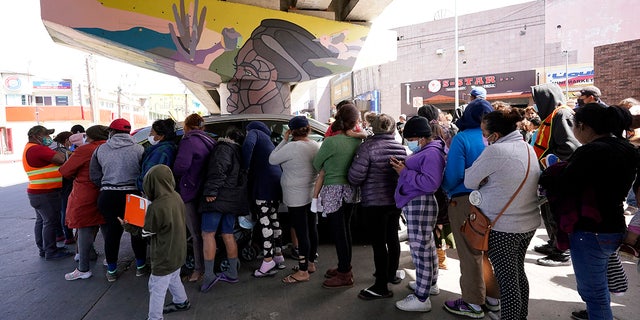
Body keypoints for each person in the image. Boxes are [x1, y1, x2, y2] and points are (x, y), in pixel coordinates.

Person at [539, 103, 638, 320]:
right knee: (600, 283)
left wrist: (551, 173)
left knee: (594, 294)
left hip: (590, 230)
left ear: (582, 126)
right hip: (614, 225)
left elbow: (565, 185)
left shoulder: (590, 152)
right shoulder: (627, 148)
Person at [464, 108, 541, 320]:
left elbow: (469, 180)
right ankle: (520, 316)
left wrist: (485, 179)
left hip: (504, 227)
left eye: (484, 133)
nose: (483, 137)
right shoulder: (526, 147)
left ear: (495, 135)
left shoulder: (496, 151)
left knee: (507, 282)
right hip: (527, 223)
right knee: (517, 274)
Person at [442, 96, 499, 318]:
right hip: (495, 201)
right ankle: (493, 298)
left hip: (466, 201)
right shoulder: (497, 137)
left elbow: (453, 175)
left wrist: (447, 189)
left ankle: (473, 303)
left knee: (470, 253)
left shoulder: (462, 138)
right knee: (487, 253)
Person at [390, 116, 445, 312]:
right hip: (419, 203)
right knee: (427, 247)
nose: (409, 143)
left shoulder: (431, 154)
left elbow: (431, 183)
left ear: (420, 138)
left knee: (420, 251)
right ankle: (429, 285)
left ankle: (421, 298)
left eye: (410, 139)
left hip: (419, 203)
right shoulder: (430, 150)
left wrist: (404, 171)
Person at [348, 113, 406, 299]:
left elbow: (355, 177)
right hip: (395, 200)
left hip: (374, 202)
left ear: (373, 127)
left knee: (379, 243)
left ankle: (380, 286)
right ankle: (391, 274)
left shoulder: (367, 148)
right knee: (392, 238)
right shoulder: (400, 148)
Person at [122, 165, 190, 320]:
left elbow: (145, 232)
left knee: (157, 287)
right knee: (173, 277)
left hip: (164, 254)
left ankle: (155, 317)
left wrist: (128, 226)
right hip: (178, 250)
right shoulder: (176, 196)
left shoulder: (157, 207)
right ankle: (181, 301)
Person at [90, 118, 146, 282]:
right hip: (133, 195)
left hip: (108, 196)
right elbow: (144, 173)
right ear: (128, 132)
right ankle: (141, 267)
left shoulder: (100, 149)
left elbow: (94, 175)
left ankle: (112, 271)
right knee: (137, 233)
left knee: (112, 234)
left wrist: (107, 184)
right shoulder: (139, 149)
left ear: (112, 132)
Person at [313, 103, 362, 288]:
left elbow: (317, 164)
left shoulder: (331, 142)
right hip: (351, 189)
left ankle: (344, 273)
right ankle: (344, 267)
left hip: (333, 189)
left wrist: (329, 166)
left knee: (338, 233)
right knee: (346, 230)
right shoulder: (358, 141)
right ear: (355, 122)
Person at [531, 83, 581, 267]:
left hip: (558, 174)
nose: (536, 106)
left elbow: (570, 147)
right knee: (549, 213)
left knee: (558, 214)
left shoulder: (562, 114)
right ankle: (554, 243)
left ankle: (562, 252)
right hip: (548, 174)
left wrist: (551, 163)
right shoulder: (550, 117)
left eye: (538, 101)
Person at [268, 116, 320, 283]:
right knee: (312, 228)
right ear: (308, 128)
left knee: (301, 232)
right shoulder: (314, 145)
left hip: (295, 196)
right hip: (311, 193)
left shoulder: (291, 147)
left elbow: (272, 159)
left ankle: (303, 271)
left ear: (291, 131)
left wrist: (283, 140)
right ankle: (310, 264)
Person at [199, 127, 247, 292]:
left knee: (208, 234)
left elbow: (218, 169)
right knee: (228, 234)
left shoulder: (223, 148)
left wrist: (211, 190)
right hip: (232, 198)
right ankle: (232, 272)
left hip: (218, 198)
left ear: (227, 136)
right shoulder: (239, 151)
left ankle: (209, 276)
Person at [59, 125, 109, 280]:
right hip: (107, 191)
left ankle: (83, 268)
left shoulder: (84, 150)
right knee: (106, 226)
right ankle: (110, 260)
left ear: (90, 137)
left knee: (84, 229)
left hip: (86, 193)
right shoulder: (110, 147)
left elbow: (65, 171)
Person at [173, 114, 216, 282]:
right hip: (206, 191)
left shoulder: (188, 141)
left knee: (196, 234)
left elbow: (180, 166)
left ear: (186, 126)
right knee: (207, 233)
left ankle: (199, 269)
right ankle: (208, 266)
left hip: (190, 191)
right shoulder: (209, 140)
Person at [22, 125, 73, 260]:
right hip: (45, 193)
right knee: (49, 222)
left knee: (42, 221)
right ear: (36, 137)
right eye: (46, 135)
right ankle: (51, 251)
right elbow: (61, 159)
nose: (48, 138)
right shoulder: (37, 149)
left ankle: (44, 249)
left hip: (38, 192)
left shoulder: (31, 148)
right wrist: (64, 153)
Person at [243, 121, 286, 277]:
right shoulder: (268, 140)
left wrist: (245, 166)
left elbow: (248, 146)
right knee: (274, 220)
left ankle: (267, 261)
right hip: (275, 183)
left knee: (265, 222)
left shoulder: (254, 133)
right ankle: (278, 255)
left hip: (263, 185)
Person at [137, 119, 178, 192]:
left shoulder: (160, 152)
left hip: (153, 194)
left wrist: (138, 184)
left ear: (161, 136)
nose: (149, 135)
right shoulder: (170, 148)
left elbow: (148, 178)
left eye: (152, 133)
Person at [53, 131, 75, 245]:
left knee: (59, 210)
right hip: (65, 182)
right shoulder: (64, 152)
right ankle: (69, 236)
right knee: (65, 210)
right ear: (66, 140)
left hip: (54, 183)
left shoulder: (52, 150)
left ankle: (59, 234)